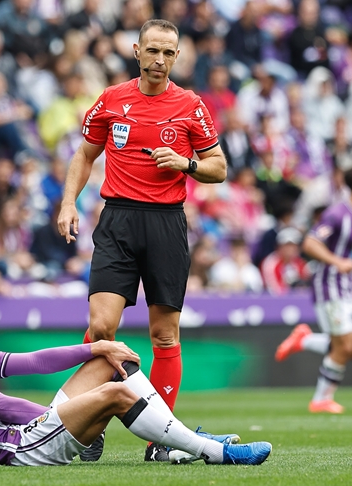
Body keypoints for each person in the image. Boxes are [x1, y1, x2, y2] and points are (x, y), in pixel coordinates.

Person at [57, 19, 227, 462]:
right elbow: (84, 154)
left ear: (177, 56)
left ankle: (161, 441)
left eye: (168, 53)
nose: (160, 60)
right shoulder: (113, 99)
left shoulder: (191, 106)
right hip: (118, 221)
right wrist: (68, 203)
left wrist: (186, 162)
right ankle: (88, 426)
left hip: (167, 223)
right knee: (101, 329)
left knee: (164, 335)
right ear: (136, 51)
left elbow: (219, 167)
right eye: (153, 50)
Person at [0, 288, 272, 467]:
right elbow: (2, 405)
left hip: (30, 432)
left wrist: (97, 349)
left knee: (112, 361)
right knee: (115, 394)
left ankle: (179, 442)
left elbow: (33, 361)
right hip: (17, 450)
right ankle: (215, 453)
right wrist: (62, 416)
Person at [275, 166, 352, 414]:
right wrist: (337, 262)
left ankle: (304, 339)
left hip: (350, 289)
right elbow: (311, 242)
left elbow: (351, 251)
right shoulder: (337, 213)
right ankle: (321, 399)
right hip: (329, 287)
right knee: (343, 345)